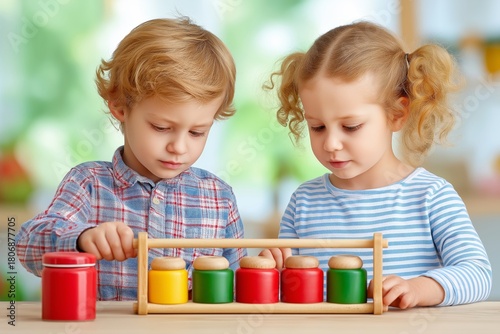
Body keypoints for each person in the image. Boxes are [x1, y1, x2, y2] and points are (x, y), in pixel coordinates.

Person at [260, 21, 492, 309]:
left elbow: (478, 274)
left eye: (351, 126)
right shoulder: (304, 201)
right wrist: (271, 271)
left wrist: (420, 288)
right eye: (317, 127)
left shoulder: (431, 196)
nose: (331, 143)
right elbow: (290, 289)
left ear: (397, 113)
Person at [16, 17, 247, 300]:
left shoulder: (218, 197)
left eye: (198, 132)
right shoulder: (89, 184)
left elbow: (238, 292)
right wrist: (81, 238)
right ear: (120, 106)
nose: (179, 146)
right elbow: (27, 245)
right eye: (161, 128)